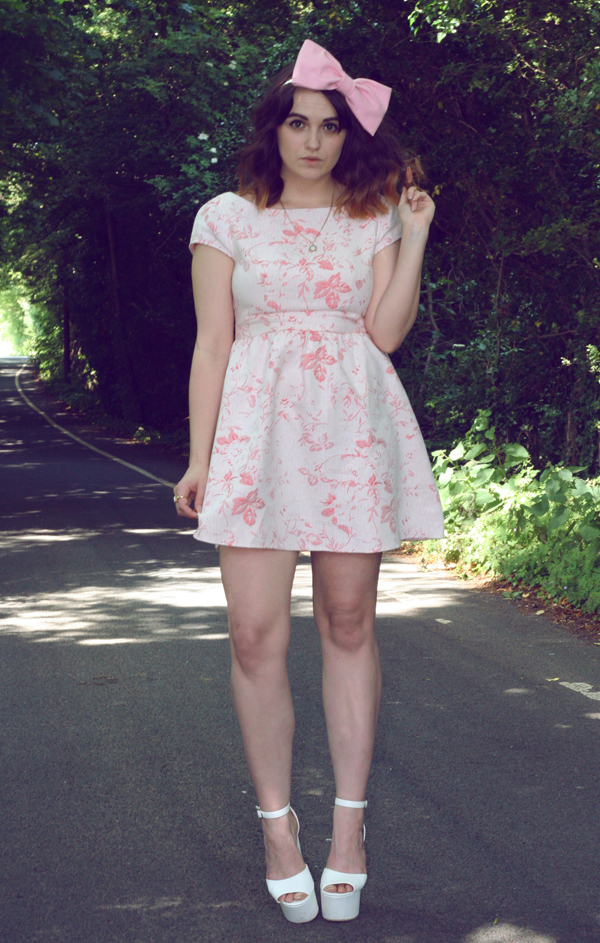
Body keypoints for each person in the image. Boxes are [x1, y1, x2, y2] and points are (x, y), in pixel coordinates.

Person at [173, 39, 443, 924]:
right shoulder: (225, 218)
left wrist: (415, 235)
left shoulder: (374, 216)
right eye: (299, 122)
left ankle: (348, 834)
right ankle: (278, 829)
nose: (314, 141)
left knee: (347, 620)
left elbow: (387, 332)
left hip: (348, 426)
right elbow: (213, 345)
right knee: (254, 633)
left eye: (330, 125)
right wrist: (201, 455)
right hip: (254, 430)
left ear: (348, 136)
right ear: (274, 129)